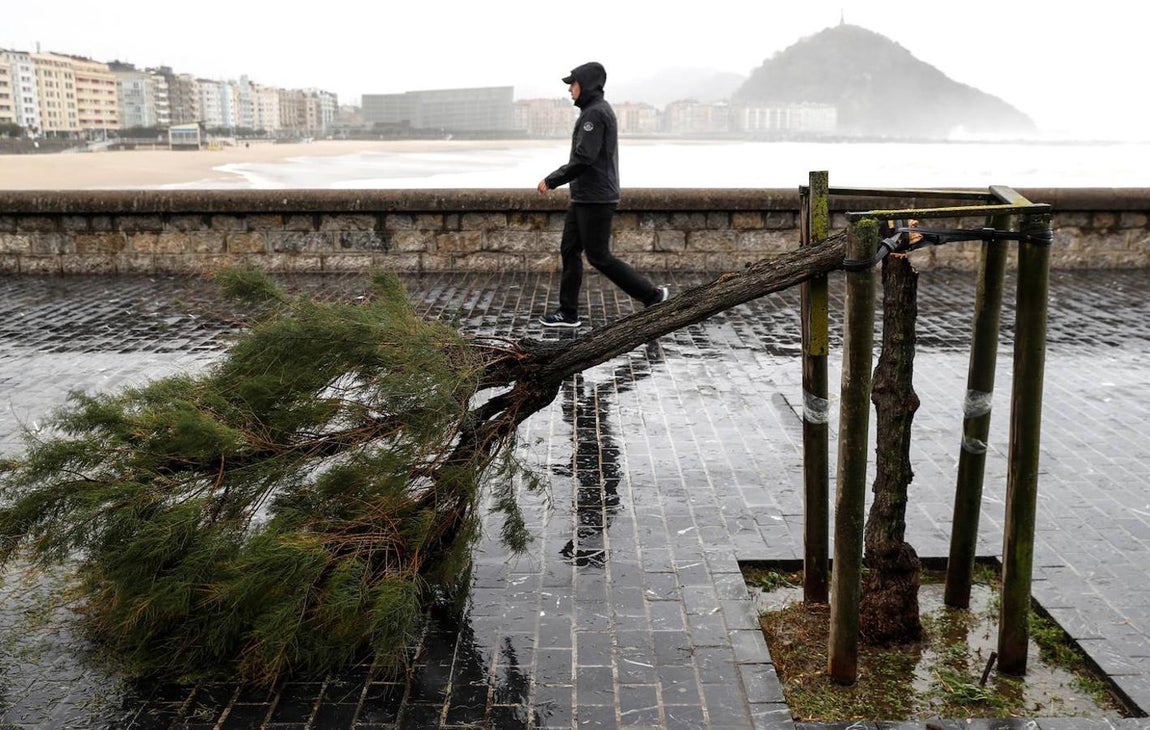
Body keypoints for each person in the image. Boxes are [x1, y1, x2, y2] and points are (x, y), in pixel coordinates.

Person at [536, 61, 668, 328]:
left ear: (585, 85)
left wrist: (552, 180)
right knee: (570, 250)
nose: (570, 90)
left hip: (596, 198)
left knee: (599, 256)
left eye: (572, 84)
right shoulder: (592, 112)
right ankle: (568, 312)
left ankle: (652, 296)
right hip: (585, 196)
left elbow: (584, 158)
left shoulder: (595, 115)